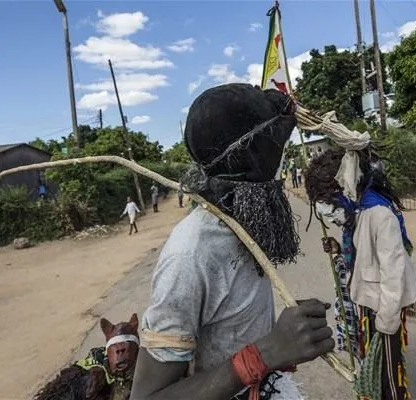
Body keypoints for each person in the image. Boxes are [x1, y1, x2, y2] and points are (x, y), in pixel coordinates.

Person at [131, 83, 334, 400]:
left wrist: (287, 337)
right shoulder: (190, 255)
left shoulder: (244, 222)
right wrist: (264, 353)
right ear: (252, 160)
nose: (281, 174)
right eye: (276, 155)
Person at [304, 149, 416, 400]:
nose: (334, 217)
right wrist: (338, 250)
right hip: (369, 302)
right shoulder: (357, 213)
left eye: (333, 208)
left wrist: (387, 321)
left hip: (384, 307)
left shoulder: (379, 215)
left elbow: (393, 274)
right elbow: (362, 256)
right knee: (371, 360)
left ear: (345, 188)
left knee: (388, 372)